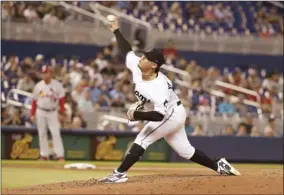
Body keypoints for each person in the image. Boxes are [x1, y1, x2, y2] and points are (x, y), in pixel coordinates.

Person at [98, 16, 241, 184]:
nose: (141, 58)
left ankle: (119, 173)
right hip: (174, 111)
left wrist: (136, 115)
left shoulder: (158, 86)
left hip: (170, 115)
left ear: (153, 65)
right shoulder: (139, 66)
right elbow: (126, 51)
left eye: (145, 58)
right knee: (186, 151)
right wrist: (116, 30)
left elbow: (159, 116)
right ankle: (219, 166)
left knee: (143, 139)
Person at [30, 65, 65, 161]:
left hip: (52, 112)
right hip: (40, 111)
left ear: (51, 73)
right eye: (44, 73)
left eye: (47, 72)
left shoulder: (57, 85)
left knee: (56, 133)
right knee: (42, 133)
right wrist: (32, 114)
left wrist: (62, 112)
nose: (46, 74)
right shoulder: (38, 86)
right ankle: (44, 155)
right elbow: (34, 101)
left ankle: (60, 155)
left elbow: (62, 99)